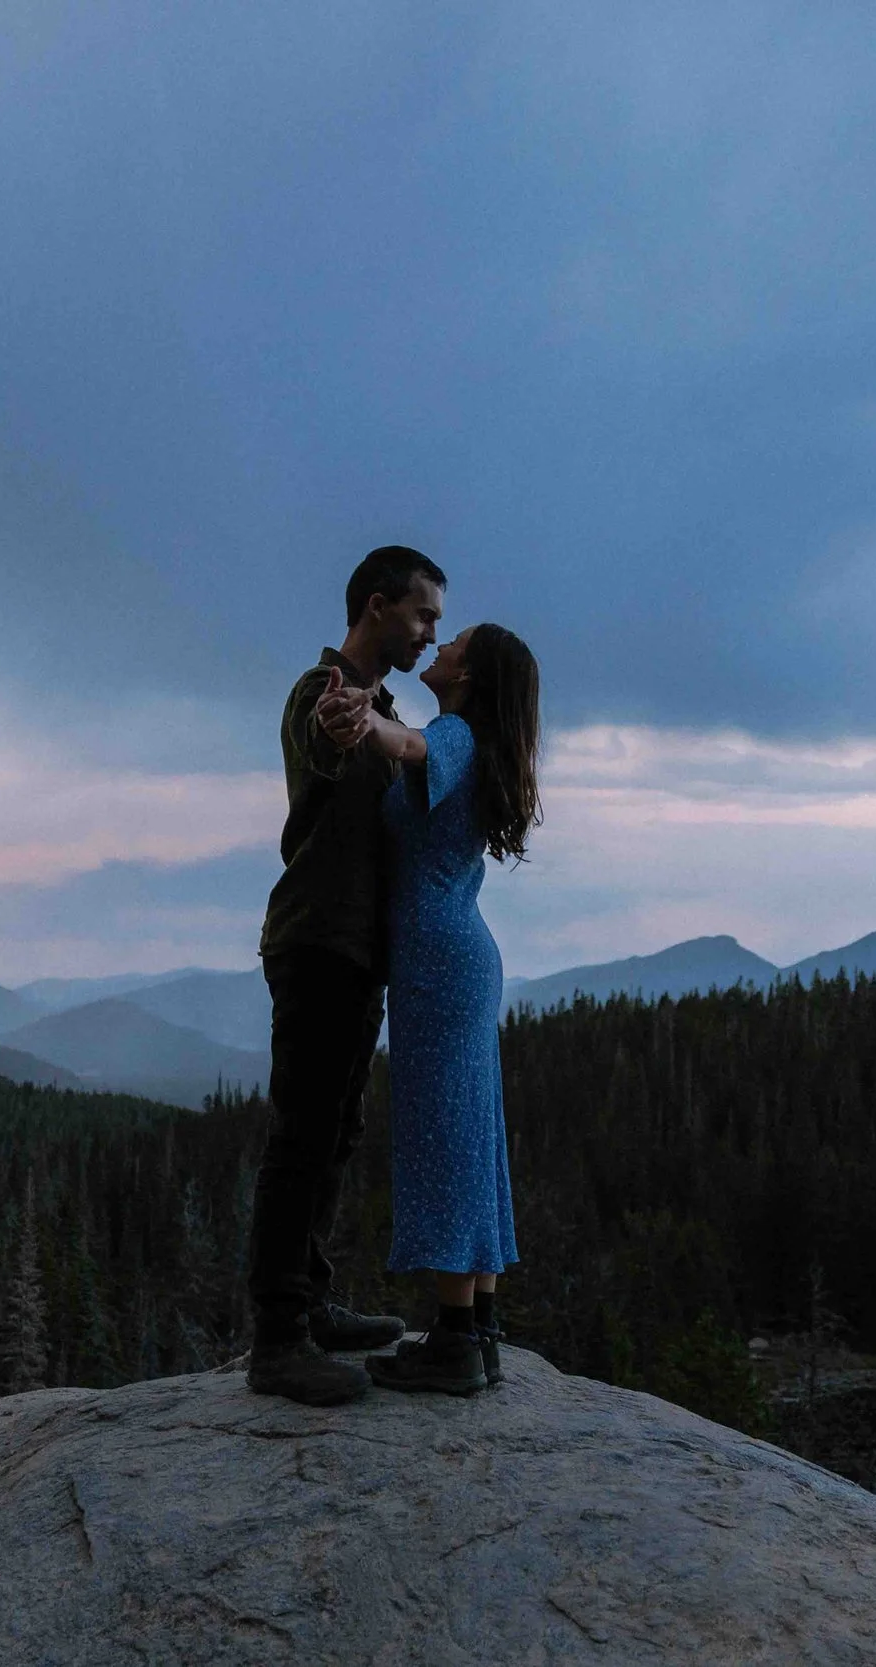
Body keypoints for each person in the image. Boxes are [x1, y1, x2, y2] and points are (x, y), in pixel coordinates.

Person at [244, 545, 447, 1406]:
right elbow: (322, 757)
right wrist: (338, 735)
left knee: (335, 1134)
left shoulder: (386, 707)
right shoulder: (319, 694)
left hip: (360, 949)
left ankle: (314, 1304)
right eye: (421, 616)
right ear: (375, 605)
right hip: (316, 939)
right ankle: (278, 1339)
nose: (430, 635)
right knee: (302, 1136)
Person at [318, 622, 540, 1396]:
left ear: (470, 677)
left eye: (455, 647)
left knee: (446, 1136)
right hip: (461, 955)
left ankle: (451, 1343)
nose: (439, 649)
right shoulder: (477, 741)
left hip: (439, 963)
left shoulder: (453, 734)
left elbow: (409, 747)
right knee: (472, 1133)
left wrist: (365, 718)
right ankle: (475, 1329)